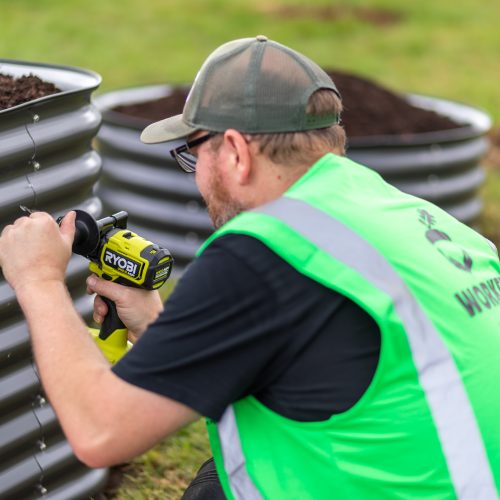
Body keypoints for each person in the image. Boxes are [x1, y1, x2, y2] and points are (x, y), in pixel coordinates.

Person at [1, 35, 500, 499]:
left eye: (193, 156)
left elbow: (100, 432)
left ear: (237, 151)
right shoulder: (418, 217)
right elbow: (331, 359)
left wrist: (40, 279)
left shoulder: (266, 251)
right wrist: (161, 329)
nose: (197, 181)